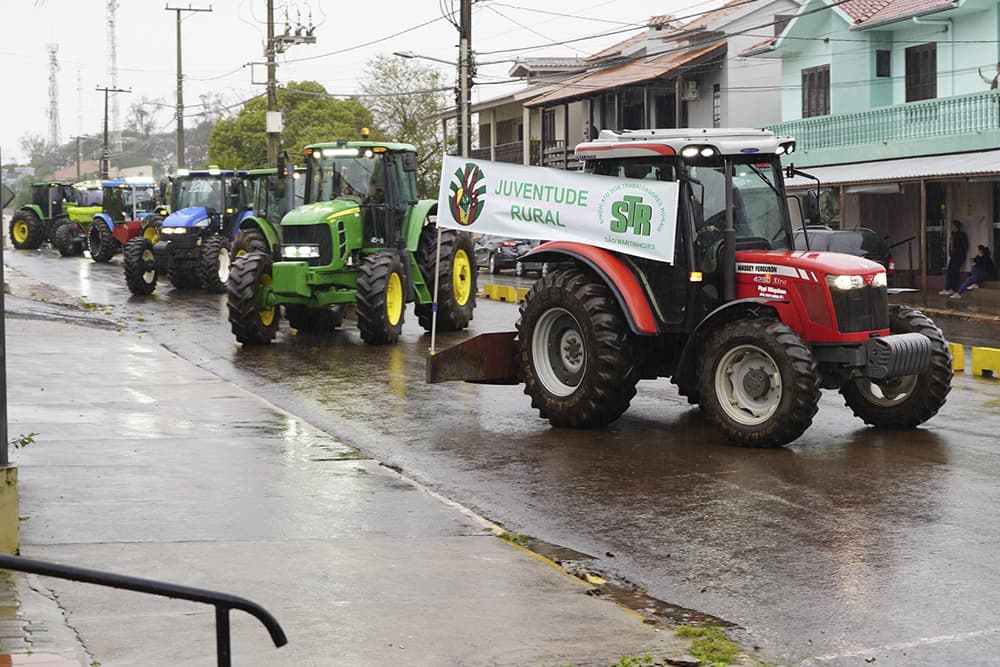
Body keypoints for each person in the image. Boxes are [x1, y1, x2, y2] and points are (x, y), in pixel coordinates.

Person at [939, 220, 968, 295]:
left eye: (953, 226)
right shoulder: (953, 235)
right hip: (953, 256)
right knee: (950, 271)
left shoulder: (961, 235)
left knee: (955, 272)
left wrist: (960, 253)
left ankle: (953, 288)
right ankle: (947, 288)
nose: (951, 227)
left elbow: (965, 246)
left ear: (956, 226)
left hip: (958, 256)